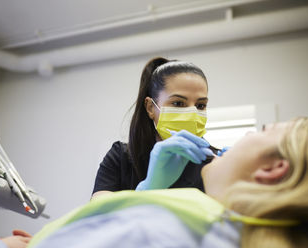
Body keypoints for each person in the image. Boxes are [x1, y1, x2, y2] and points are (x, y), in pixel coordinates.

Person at [0, 117, 308, 248]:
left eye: (262, 130)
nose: (247, 135)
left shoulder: (158, 232)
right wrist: (149, 189)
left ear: (272, 169)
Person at [92, 57, 220, 198]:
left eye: (200, 105)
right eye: (178, 103)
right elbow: (97, 215)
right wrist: (150, 187)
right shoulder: (121, 157)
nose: (192, 113)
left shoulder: (216, 163)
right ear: (150, 107)